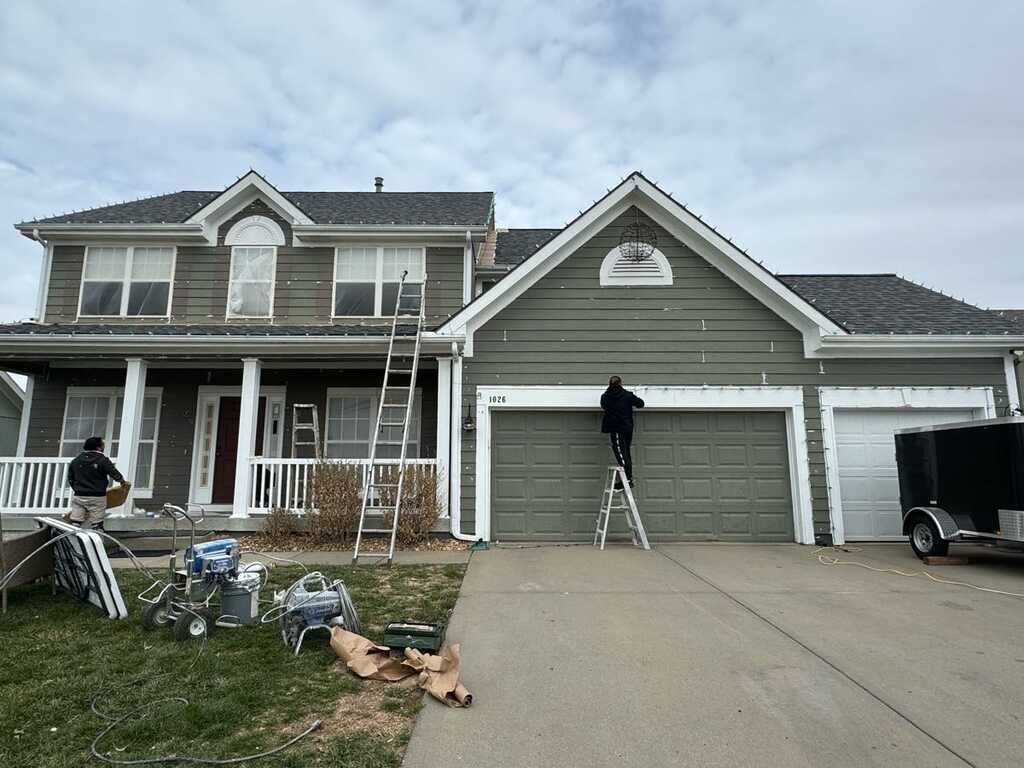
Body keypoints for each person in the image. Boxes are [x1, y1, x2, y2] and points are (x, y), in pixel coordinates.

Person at [66, 436, 129, 529]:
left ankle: (72, 540)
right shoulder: (102, 460)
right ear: (98, 447)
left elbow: (70, 477)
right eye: (103, 444)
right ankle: (98, 538)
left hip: (79, 496)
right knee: (97, 524)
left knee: (75, 522)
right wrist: (122, 481)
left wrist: (77, 489)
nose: (103, 447)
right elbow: (112, 471)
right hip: (97, 497)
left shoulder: (76, 460)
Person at [600, 375, 644, 487]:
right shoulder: (627, 395)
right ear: (620, 383)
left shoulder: (606, 397)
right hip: (627, 428)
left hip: (616, 429)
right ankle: (628, 479)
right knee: (626, 453)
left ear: (609, 384)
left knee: (621, 454)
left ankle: (627, 480)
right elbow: (640, 404)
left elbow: (603, 406)